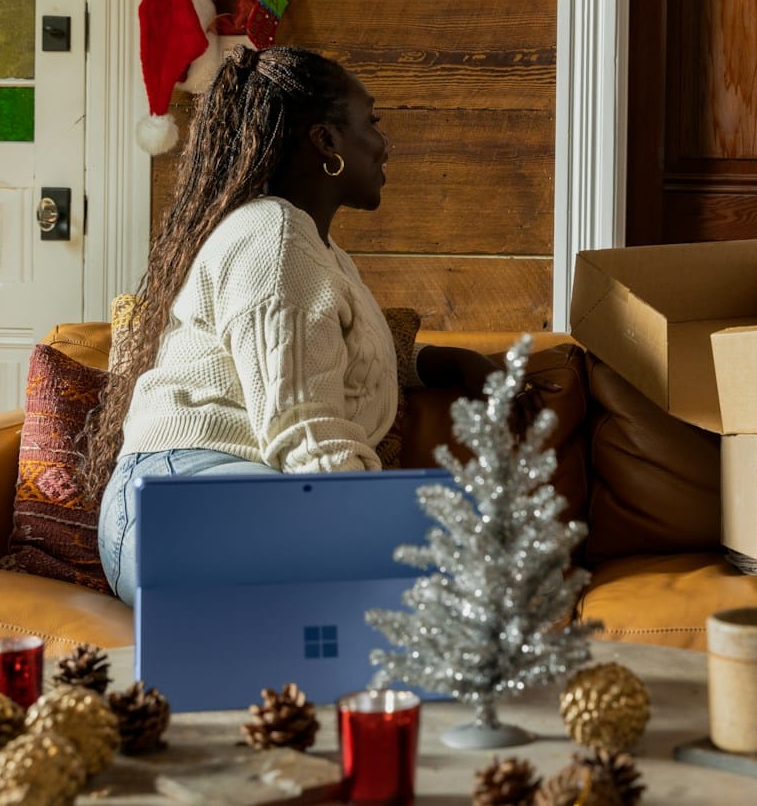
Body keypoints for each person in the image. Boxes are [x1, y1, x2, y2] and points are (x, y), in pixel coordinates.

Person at [79, 45, 497, 604]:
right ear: (326, 141)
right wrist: (376, 533)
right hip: (180, 501)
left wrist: (447, 362)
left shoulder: (314, 249)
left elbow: (337, 353)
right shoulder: (275, 241)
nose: (384, 143)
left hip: (205, 500)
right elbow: (304, 427)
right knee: (443, 564)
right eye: (370, 123)